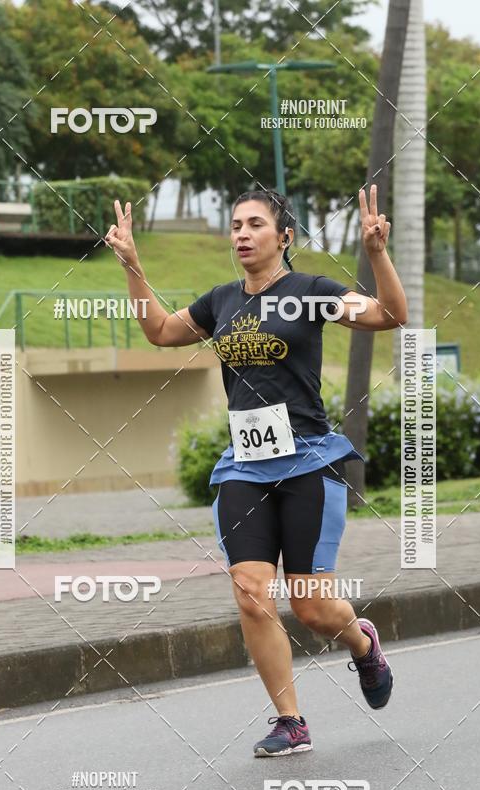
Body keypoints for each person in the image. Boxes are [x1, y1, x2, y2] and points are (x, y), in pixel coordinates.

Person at [105, 185, 408, 757]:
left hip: (308, 461)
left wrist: (375, 254)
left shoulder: (311, 291)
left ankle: (361, 642)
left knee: (311, 607)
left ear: (284, 237)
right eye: (236, 225)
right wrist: (133, 266)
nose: (241, 234)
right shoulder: (222, 301)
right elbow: (161, 331)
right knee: (249, 592)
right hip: (245, 466)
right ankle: (290, 720)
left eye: (255, 225)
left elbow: (391, 315)